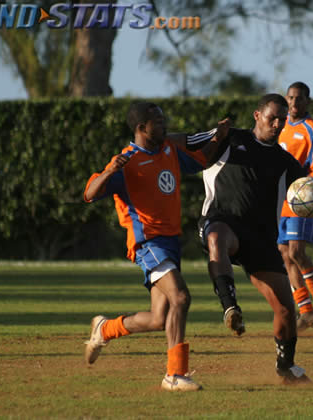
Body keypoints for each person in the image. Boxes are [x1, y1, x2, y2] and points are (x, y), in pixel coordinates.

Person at [82, 101, 229, 391]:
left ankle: (105, 329)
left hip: (170, 242)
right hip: (147, 241)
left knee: (159, 318)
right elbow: (89, 193)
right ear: (141, 128)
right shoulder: (127, 160)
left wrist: (218, 137)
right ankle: (174, 374)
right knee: (181, 297)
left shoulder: (169, 150)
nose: (164, 126)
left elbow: (202, 160)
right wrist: (109, 172)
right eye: (158, 122)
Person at [198, 93, 311, 383]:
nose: (277, 124)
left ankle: (286, 366)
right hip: (223, 221)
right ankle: (230, 307)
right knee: (216, 237)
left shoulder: (286, 162)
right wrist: (214, 137)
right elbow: (188, 150)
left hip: (260, 238)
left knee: (285, 309)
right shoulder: (230, 139)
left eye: (282, 120)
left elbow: (311, 200)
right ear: (257, 115)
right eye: (272, 118)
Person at [277, 81, 313, 335]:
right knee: (284, 253)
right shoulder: (279, 125)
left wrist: (309, 194)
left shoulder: (311, 129)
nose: (294, 103)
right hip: (281, 201)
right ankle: (306, 311)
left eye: (299, 98)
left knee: (297, 252)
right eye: (290, 98)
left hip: (301, 200)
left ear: (307, 102)